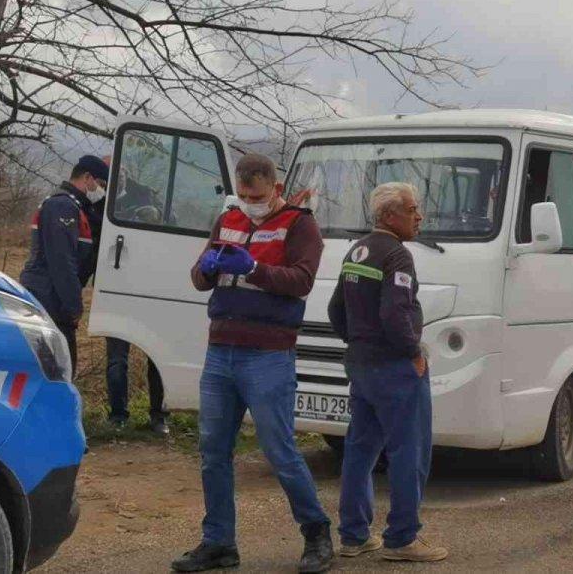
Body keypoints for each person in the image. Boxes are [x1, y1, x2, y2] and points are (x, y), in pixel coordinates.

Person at [173, 153, 333, 574]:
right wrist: (206, 269)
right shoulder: (229, 218)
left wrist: (255, 268)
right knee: (213, 451)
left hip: (268, 354)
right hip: (221, 350)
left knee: (279, 449)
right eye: (244, 196)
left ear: (276, 189)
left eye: (257, 197)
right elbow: (197, 278)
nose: (250, 203)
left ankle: (316, 533)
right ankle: (218, 542)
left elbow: (302, 280)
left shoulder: (299, 224)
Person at [327, 182, 446, 563]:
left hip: (361, 364)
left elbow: (335, 309)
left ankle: (354, 535)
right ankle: (402, 538)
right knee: (409, 451)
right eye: (412, 209)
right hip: (394, 367)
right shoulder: (397, 255)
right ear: (389, 216)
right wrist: (412, 351)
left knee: (360, 450)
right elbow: (395, 313)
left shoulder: (357, 250)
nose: (419, 216)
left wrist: (357, 342)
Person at [19, 154, 109, 377]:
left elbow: (98, 230)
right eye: (101, 184)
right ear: (87, 178)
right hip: (49, 298)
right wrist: (73, 305)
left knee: (61, 366)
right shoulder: (62, 206)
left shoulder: (77, 206)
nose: (101, 190)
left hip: (54, 297)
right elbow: (62, 262)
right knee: (59, 370)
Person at [103, 162, 170, 434]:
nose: (117, 178)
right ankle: (118, 415)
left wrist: (152, 214)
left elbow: (171, 222)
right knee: (117, 360)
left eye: (120, 173)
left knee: (157, 355)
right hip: (117, 287)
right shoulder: (101, 204)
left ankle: (159, 415)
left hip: (151, 288)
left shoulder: (145, 195)